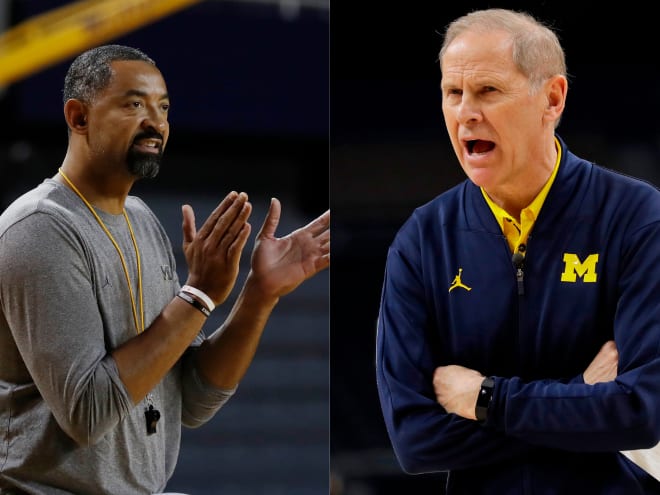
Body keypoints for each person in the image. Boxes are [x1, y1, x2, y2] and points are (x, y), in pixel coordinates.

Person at [0, 44, 330, 494]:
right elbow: (88, 413)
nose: (155, 122)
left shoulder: (141, 220)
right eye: (134, 104)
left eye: (163, 107)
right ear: (78, 117)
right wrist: (198, 296)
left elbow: (191, 399)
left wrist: (258, 295)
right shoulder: (40, 229)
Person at [375, 8, 660, 494]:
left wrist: (486, 398)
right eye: (453, 92)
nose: (466, 112)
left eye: (488, 91)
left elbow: (641, 412)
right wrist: (578, 395)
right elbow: (415, 441)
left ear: (552, 98)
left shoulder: (634, 217)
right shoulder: (422, 240)